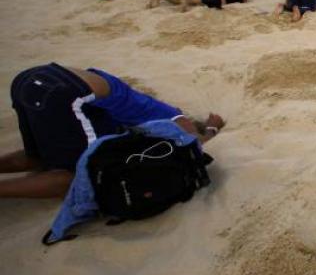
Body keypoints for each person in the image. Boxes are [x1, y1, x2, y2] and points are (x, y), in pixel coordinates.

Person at [1, 64, 225, 198]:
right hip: (64, 94)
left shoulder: (132, 108)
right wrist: (212, 127)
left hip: (29, 79)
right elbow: (193, 141)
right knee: (78, 176)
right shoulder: (173, 115)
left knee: (38, 157)